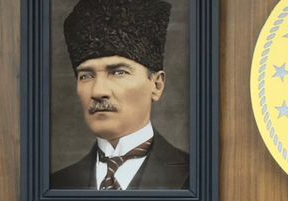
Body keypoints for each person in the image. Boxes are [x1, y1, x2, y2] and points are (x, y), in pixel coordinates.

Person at [50, 0, 189, 190]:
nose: (98, 91)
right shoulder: (56, 185)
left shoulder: (197, 177)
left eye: (118, 72)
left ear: (157, 85)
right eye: (86, 76)